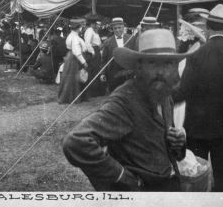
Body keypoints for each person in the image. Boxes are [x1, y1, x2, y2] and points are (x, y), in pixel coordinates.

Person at [63, 28, 190, 191]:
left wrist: (178, 142)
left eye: (168, 63)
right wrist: (122, 177)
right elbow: (76, 142)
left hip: (168, 183)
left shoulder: (163, 93)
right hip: (145, 192)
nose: (161, 72)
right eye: (152, 63)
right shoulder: (125, 100)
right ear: (138, 67)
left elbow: (167, 147)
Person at [174, 4, 223, 191]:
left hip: (197, 127)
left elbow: (182, 92)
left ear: (208, 28)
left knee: (197, 175)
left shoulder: (195, 55)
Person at [57, 19, 88, 104]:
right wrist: (84, 62)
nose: (82, 28)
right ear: (79, 27)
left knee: (69, 78)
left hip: (70, 57)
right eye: (81, 26)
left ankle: (68, 97)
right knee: (72, 78)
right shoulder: (75, 37)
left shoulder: (72, 35)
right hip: (73, 58)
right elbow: (77, 52)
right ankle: (70, 97)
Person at [101, 17, 132, 93]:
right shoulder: (108, 42)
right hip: (113, 74)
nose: (117, 30)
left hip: (128, 73)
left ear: (123, 27)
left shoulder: (131, 39)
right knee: (115, 94)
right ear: (112, 29)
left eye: (119, 27)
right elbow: (103, 60)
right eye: (115, 28)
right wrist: (102, 74)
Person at [83, 20, 104, 98]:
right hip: (93, 51)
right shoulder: (89, 31)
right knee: (93, 71)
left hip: (97, 50)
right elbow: (87, 43)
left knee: (96, 70)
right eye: (95, 23)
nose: (96, 25)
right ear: (91, 24)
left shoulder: (94, 31)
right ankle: (92, 91)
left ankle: (96, 90)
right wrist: (92, 52)